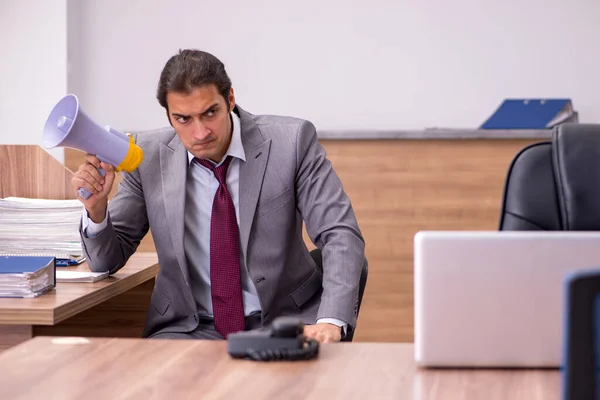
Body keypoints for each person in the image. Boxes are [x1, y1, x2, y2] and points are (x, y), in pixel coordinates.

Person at [73, 49, 366, 343]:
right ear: (169, 116)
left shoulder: (291, 143)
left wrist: (329, 322)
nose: (200, 133)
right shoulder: (147, 157)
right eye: (184, 119)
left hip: (286, 321)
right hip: (190, 329)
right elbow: (106, 262)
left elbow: (339, 233)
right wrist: (97, 212)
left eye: (209, 113)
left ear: (230, 99)